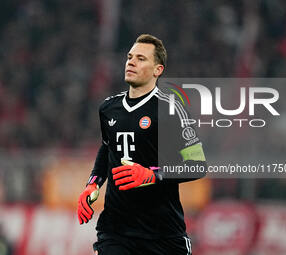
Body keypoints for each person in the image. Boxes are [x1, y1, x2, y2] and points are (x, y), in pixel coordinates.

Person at [77, 34, 207, 255]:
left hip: (162, 233)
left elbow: (197, 164)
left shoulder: (171, 109)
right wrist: (93, 183)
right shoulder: (108, 108)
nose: (131, 62)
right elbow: (107, 147)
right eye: (129, 57)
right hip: (116, 232)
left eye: (141, 58)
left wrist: (153, 175)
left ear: (158, 70)